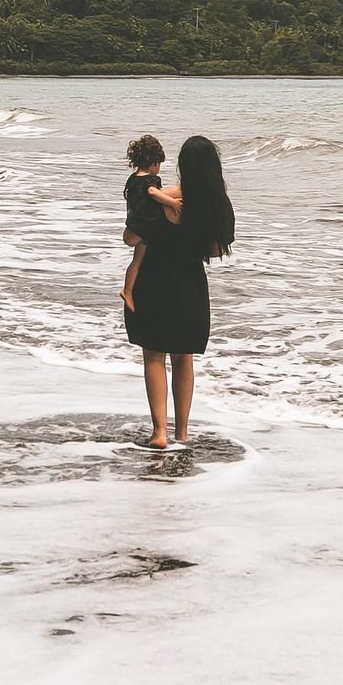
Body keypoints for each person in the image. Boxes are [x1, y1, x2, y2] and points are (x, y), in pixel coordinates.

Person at [120, 130, 235, 449]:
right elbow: (215, 251)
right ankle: (182, 433)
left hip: (152, 282)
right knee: (184, 358)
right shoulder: (217, 205)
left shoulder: (161, 196)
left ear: (182, 165)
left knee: (154, 356)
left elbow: (131, 239)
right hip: (190, 286)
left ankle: (159, 432)